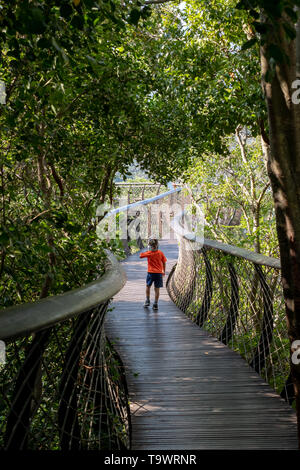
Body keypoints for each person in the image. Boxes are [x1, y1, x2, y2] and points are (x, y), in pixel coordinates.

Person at [139, 238, 167, 310]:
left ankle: (147, 300)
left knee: (148, 286)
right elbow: (164, 262)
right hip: (159, 274)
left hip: (151, 273)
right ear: (157, 246)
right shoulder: (160, 253)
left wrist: (147, 251)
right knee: (157, 289)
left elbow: (140, 256)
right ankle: (155, 304)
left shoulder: (149, 253)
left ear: (150, 246)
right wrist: (163, 271)